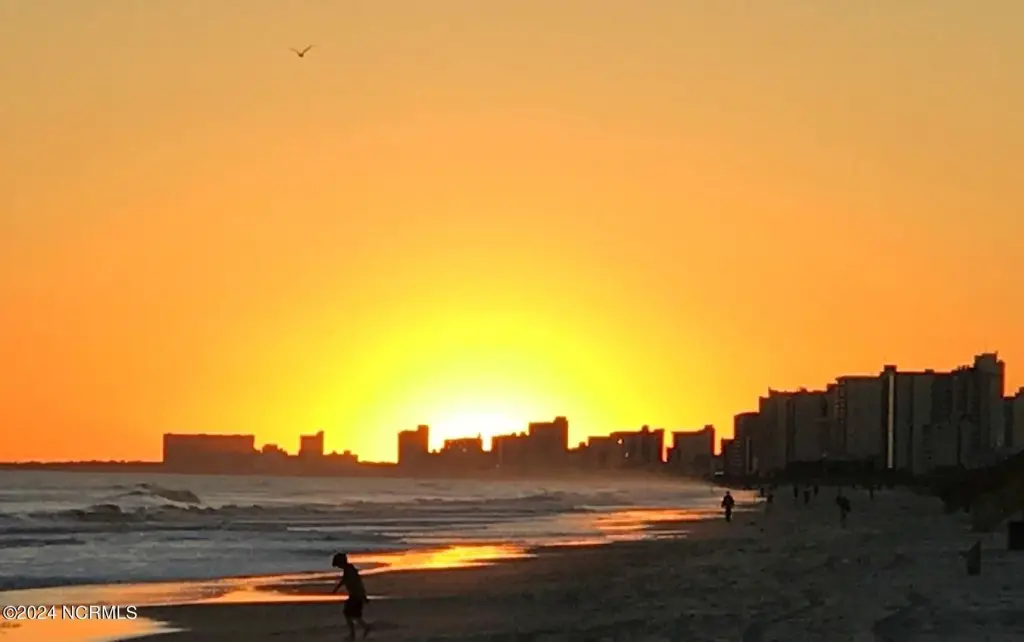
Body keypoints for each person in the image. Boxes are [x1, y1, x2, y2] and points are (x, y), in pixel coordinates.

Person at [332, 552, 372, 639]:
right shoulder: (348, 570)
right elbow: (344, 580)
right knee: (351, 614)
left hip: (356, 595)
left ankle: (359, 630)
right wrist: (336, 589)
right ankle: (359, 630)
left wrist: (363, 595)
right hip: (354, 595)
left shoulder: (350, 570)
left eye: (338, 565)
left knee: (351, 614)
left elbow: (358, 583)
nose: (339, 567)